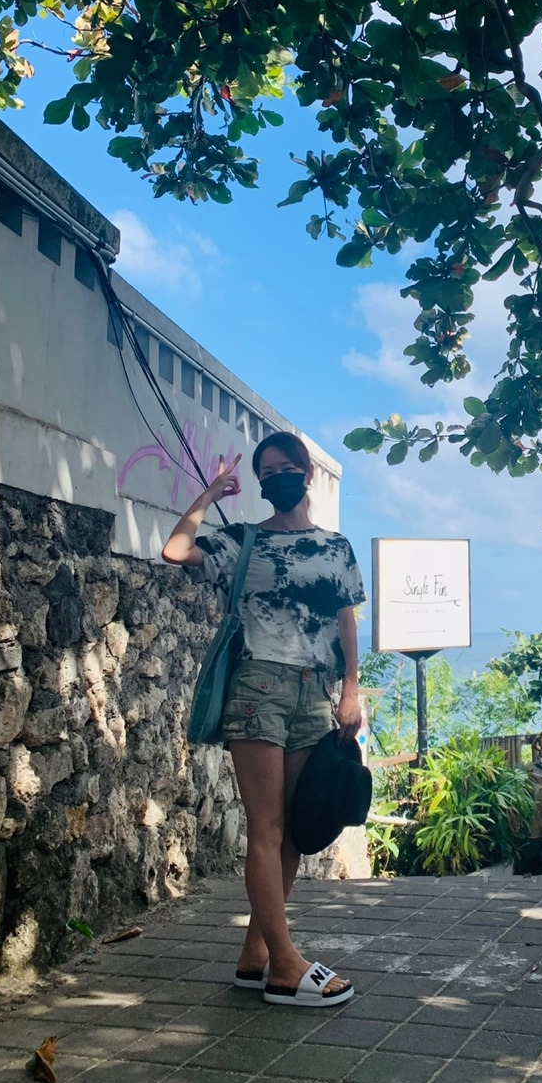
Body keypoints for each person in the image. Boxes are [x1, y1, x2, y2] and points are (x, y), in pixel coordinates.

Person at [162, 430, 364, 1008]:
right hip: (258, 687)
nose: (276, 479)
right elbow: (175, 550)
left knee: (295, 830)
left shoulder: (335, 547)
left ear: (306, 473)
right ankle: (285, 963)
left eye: (285, 468)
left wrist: (351, 690)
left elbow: (345, 619)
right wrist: (208, 494)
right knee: (267, 828)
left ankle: (256, 953)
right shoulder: (243, 541)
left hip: (314, 690)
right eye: (265, 473)